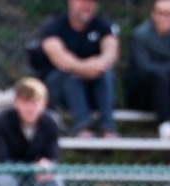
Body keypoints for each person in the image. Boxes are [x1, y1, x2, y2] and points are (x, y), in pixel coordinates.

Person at [37, 0, 119, 138]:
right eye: (83, 2)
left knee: (106, 74)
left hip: (91, 91)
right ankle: (82, 128)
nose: (88, 6)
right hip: (59, 92)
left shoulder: (102, 25)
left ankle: (108, 128)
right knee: (71, 75)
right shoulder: (54, 27)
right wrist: (84, 67)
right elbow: (59, 57)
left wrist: (100, 64)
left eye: (92, 2)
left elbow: (111, 50)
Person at [125, 0, 170, 140]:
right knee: (159, 76)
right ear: (153, 14)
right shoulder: (140, 35)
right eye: (161, 13)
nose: (165, 18)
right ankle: (165, 129)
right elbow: (142, 69)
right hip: (144, 96)